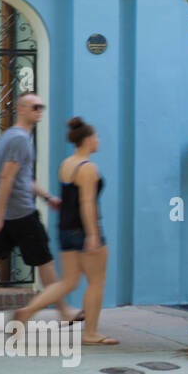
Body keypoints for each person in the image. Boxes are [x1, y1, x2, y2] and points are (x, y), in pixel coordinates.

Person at [0, 93, 72, 335]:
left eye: (42, 106)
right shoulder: (20, 139)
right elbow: (6, 177)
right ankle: (64, 311)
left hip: (9, 211)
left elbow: (23, 179)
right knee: (45, 261)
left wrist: (47, 197)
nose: (39, 111)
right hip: (19, 212)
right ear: (21, 109)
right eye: (35, 107)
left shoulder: (10, 136)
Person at [55, 117, 116, 345]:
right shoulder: (88, 167)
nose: (98, 140)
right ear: (88, 140)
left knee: (68, 281)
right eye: (97, 136)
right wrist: (93, 235)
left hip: (65, 229)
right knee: (96, 282)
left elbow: (68, 200)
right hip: (84, 231)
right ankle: (91, 333)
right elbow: (87, 203)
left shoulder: (66, 164)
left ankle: (28, 310)